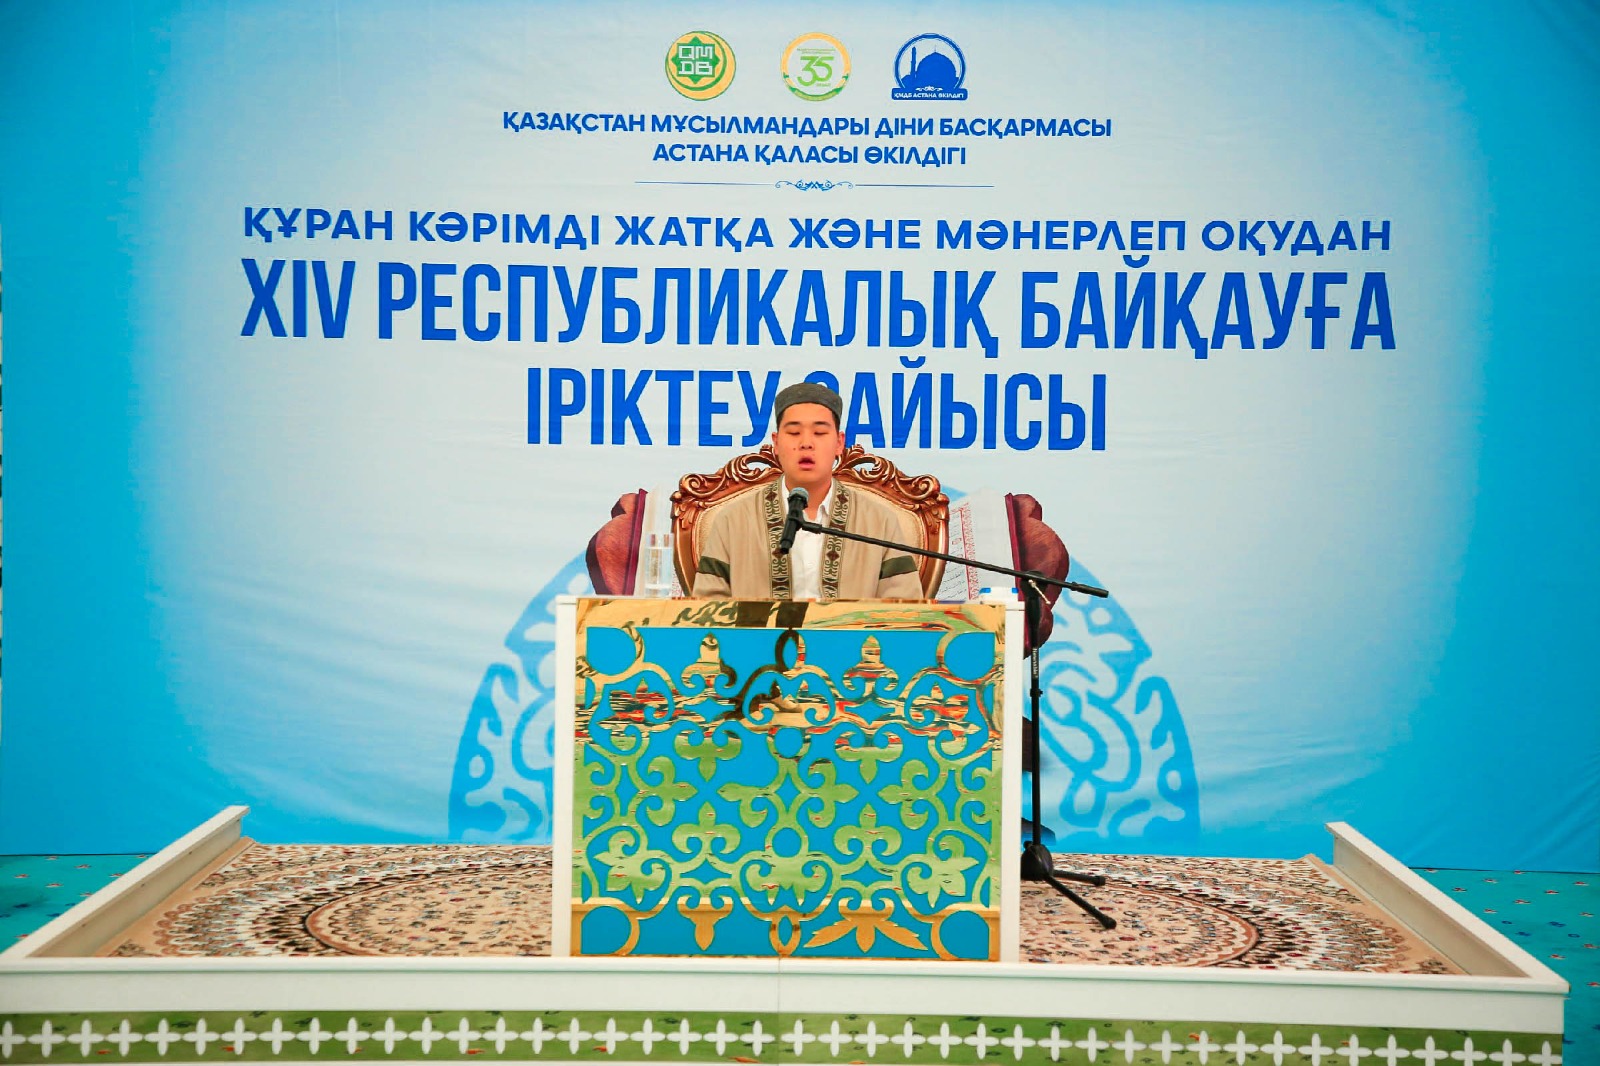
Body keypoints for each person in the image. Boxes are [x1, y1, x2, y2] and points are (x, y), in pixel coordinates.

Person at [691, 381, 925, 600]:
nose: (806, 443)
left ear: (839, 443)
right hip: (758, 634)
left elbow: (903, 611)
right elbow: (707, 608)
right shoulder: (733, 521)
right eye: (794, 433)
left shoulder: (879, 522)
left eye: (820, 433)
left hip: (848, 633)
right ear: (776, 443)